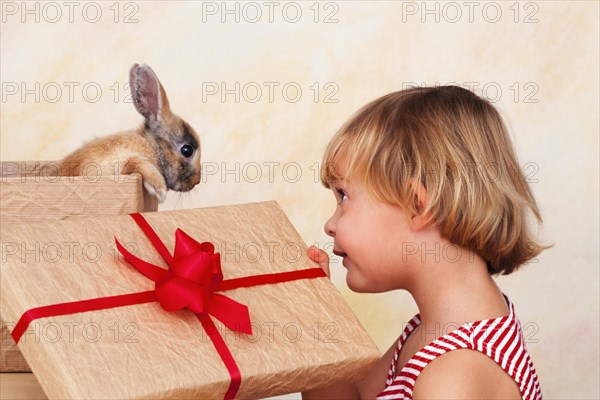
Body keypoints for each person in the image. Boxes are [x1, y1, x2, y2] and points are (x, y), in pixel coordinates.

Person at [302, 86, 548, 399]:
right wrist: (316, 312)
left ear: (417, 206)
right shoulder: (431, 332)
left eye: (343, 196)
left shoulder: (455, 375)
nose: (329, 225)